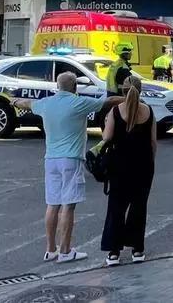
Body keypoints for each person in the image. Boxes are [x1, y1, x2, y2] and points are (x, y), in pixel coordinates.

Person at [14, 72, 122, 263]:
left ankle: (50, 249)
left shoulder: (46, 103)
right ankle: (65, 251)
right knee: (68, 205)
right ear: (74, 87)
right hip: (71, 159)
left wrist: (14, 102)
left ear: (58, 86)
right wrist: (132, 97)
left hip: (51, 159)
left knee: (52, 204)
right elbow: (109, 101)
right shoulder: (78, 103)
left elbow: (26, 103)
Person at [101, 76, 157, 266]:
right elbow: (153, 142)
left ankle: (114, 253)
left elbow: (107, 137)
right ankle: (137, 250)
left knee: (116, 208)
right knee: (139, 208)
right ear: (140, 91)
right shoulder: (148, 111)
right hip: (143, 166)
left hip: (119, 166)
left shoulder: (116, 111)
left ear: (123, 91)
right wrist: (150, 162)